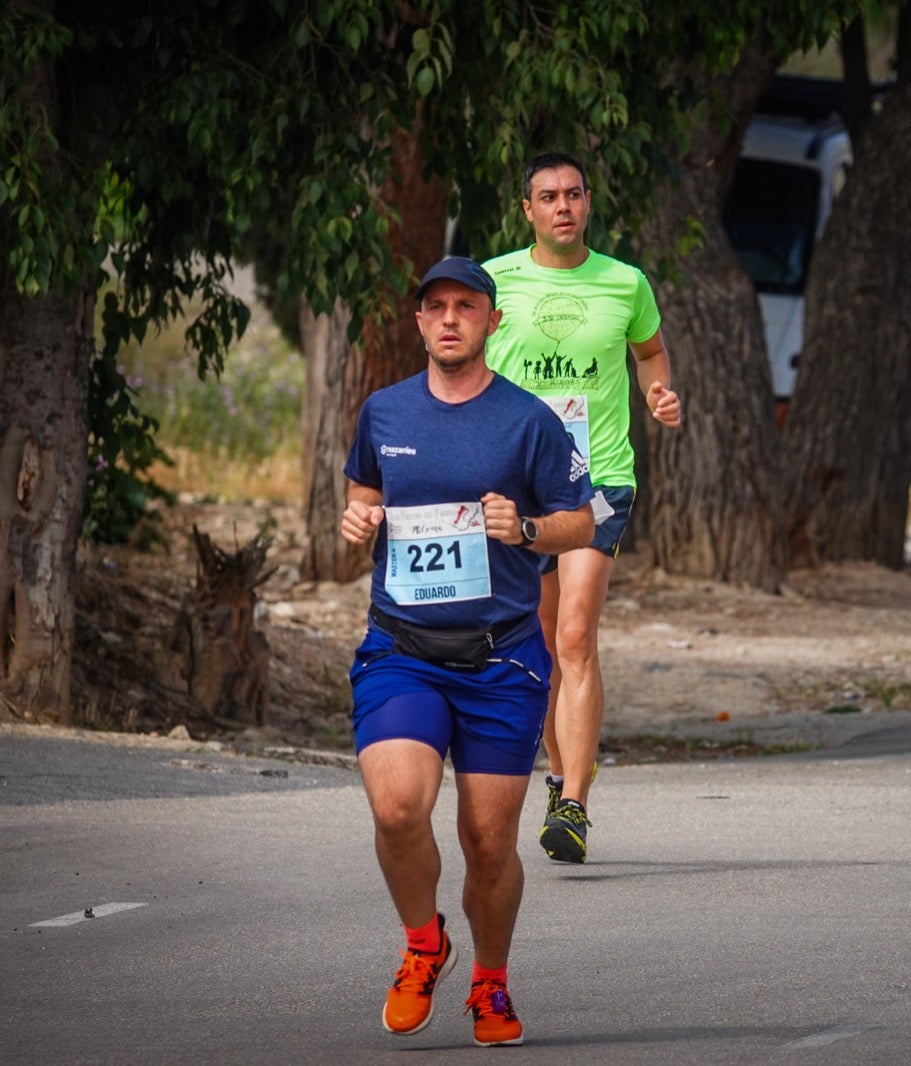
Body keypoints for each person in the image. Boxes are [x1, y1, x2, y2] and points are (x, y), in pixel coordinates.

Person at [341, 256, 595, 1046]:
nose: (449, 318)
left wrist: (520, 528)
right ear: (419, 322)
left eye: (466, 306)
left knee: (488, 844)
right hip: (403, 650)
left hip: (501, 658)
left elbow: (579, 523)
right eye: (435, 307)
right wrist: (357, 525)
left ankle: (489, 980)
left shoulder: (528, 421)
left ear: (491, 321)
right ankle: (424, 944)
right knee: (397, 808)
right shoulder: (383, 413)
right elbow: (363, 497)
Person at [483, 152, 682, 864]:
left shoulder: (625, 282)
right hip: (517, 485)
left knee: (574, 634)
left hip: (597, 478)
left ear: (588, 202)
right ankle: (559, 770)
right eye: (547, 197)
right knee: (539, 644)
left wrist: (658, 392)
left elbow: (650, 353)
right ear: (527, 209)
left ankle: (573, 801)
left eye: (572, 194)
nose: (562, 206)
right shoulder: (495, 280)